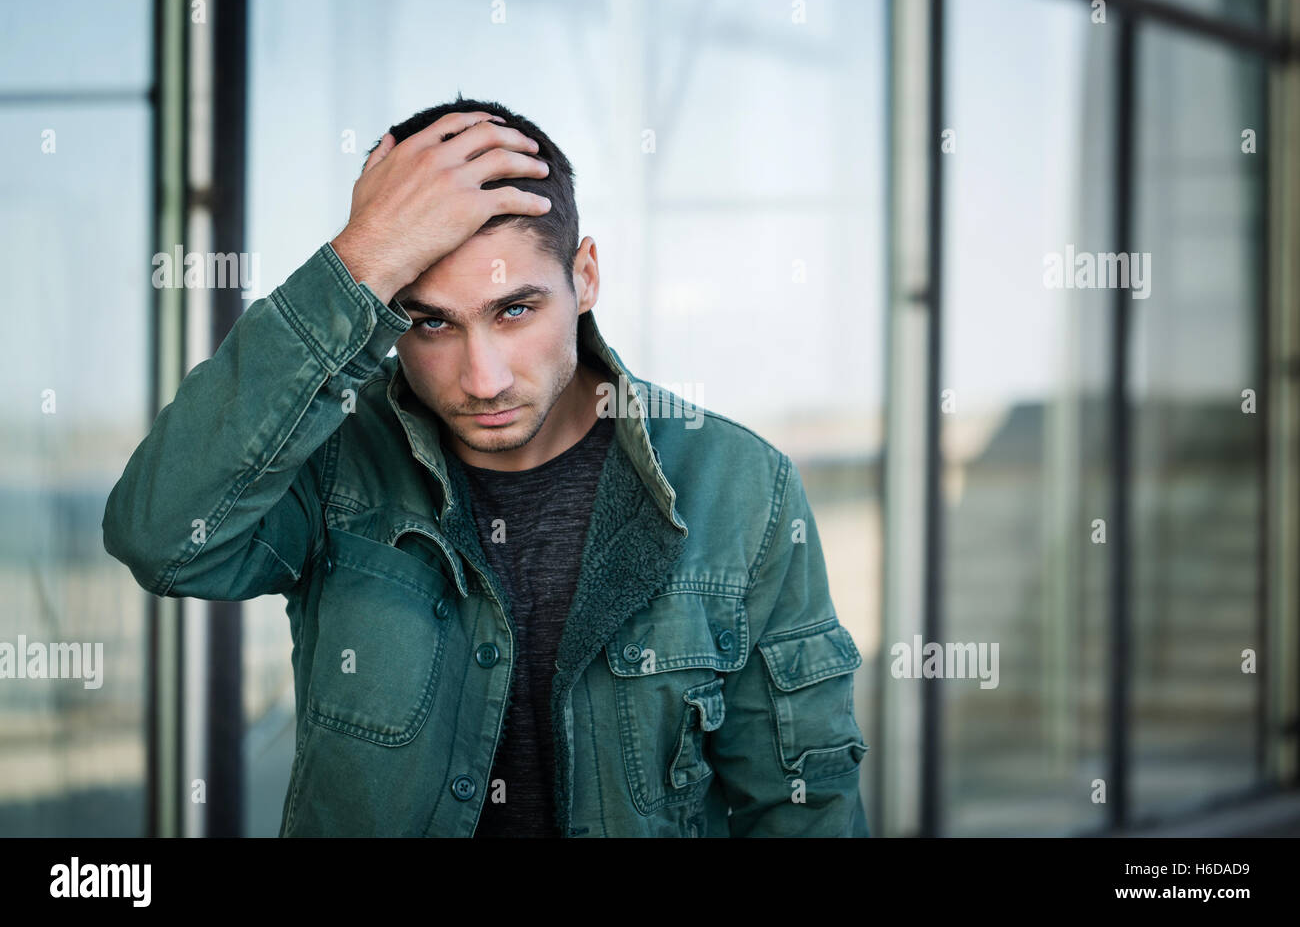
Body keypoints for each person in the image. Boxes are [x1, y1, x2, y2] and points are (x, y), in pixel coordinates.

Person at [102, 94, 871, 837]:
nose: (483, 378)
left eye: (515, 310)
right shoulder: (333, 454)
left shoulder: (742, 489)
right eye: (430, 321)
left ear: (586, 277)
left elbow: (802, 810)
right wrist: (359, 258)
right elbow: (164, 540)